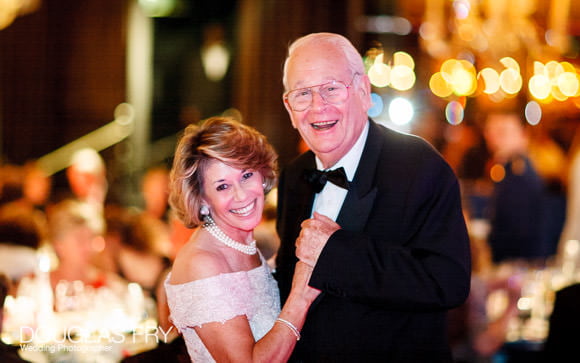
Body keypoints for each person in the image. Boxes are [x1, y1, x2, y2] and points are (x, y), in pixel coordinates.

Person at [274, 32, 471, 362]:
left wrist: (337, 252)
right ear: (289, 108)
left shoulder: (419, 165)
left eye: (331, 89)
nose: (318, 106)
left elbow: (447, 282)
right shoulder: (294, 175)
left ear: (364, 92)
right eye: (303, 94)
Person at [164, 116, 320, 362]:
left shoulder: (240, 243)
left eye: (246, 175)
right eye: (222, 187)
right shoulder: (202, 263)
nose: (241, 195)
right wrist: (301, 295)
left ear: (261, 173)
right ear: (202, 199)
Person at [482, 112, 549, 264]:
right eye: (491, 131)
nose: (494, 138)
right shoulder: (507, 168)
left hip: (518, 261)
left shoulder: (519, 171)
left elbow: (518, 228)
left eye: (503, 132)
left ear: (522, 135)